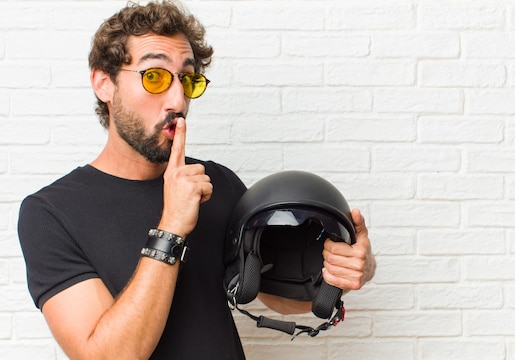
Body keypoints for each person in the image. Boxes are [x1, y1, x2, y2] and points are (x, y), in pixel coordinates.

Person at [17, 1, 376, 359]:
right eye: (154, 76)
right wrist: (172, 225)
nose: (178, 99)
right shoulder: (50, 213)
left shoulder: (215, 183)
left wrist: (343, 272)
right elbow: (110, 355)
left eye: (187, 80)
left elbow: (273, 297)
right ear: (104, 84)